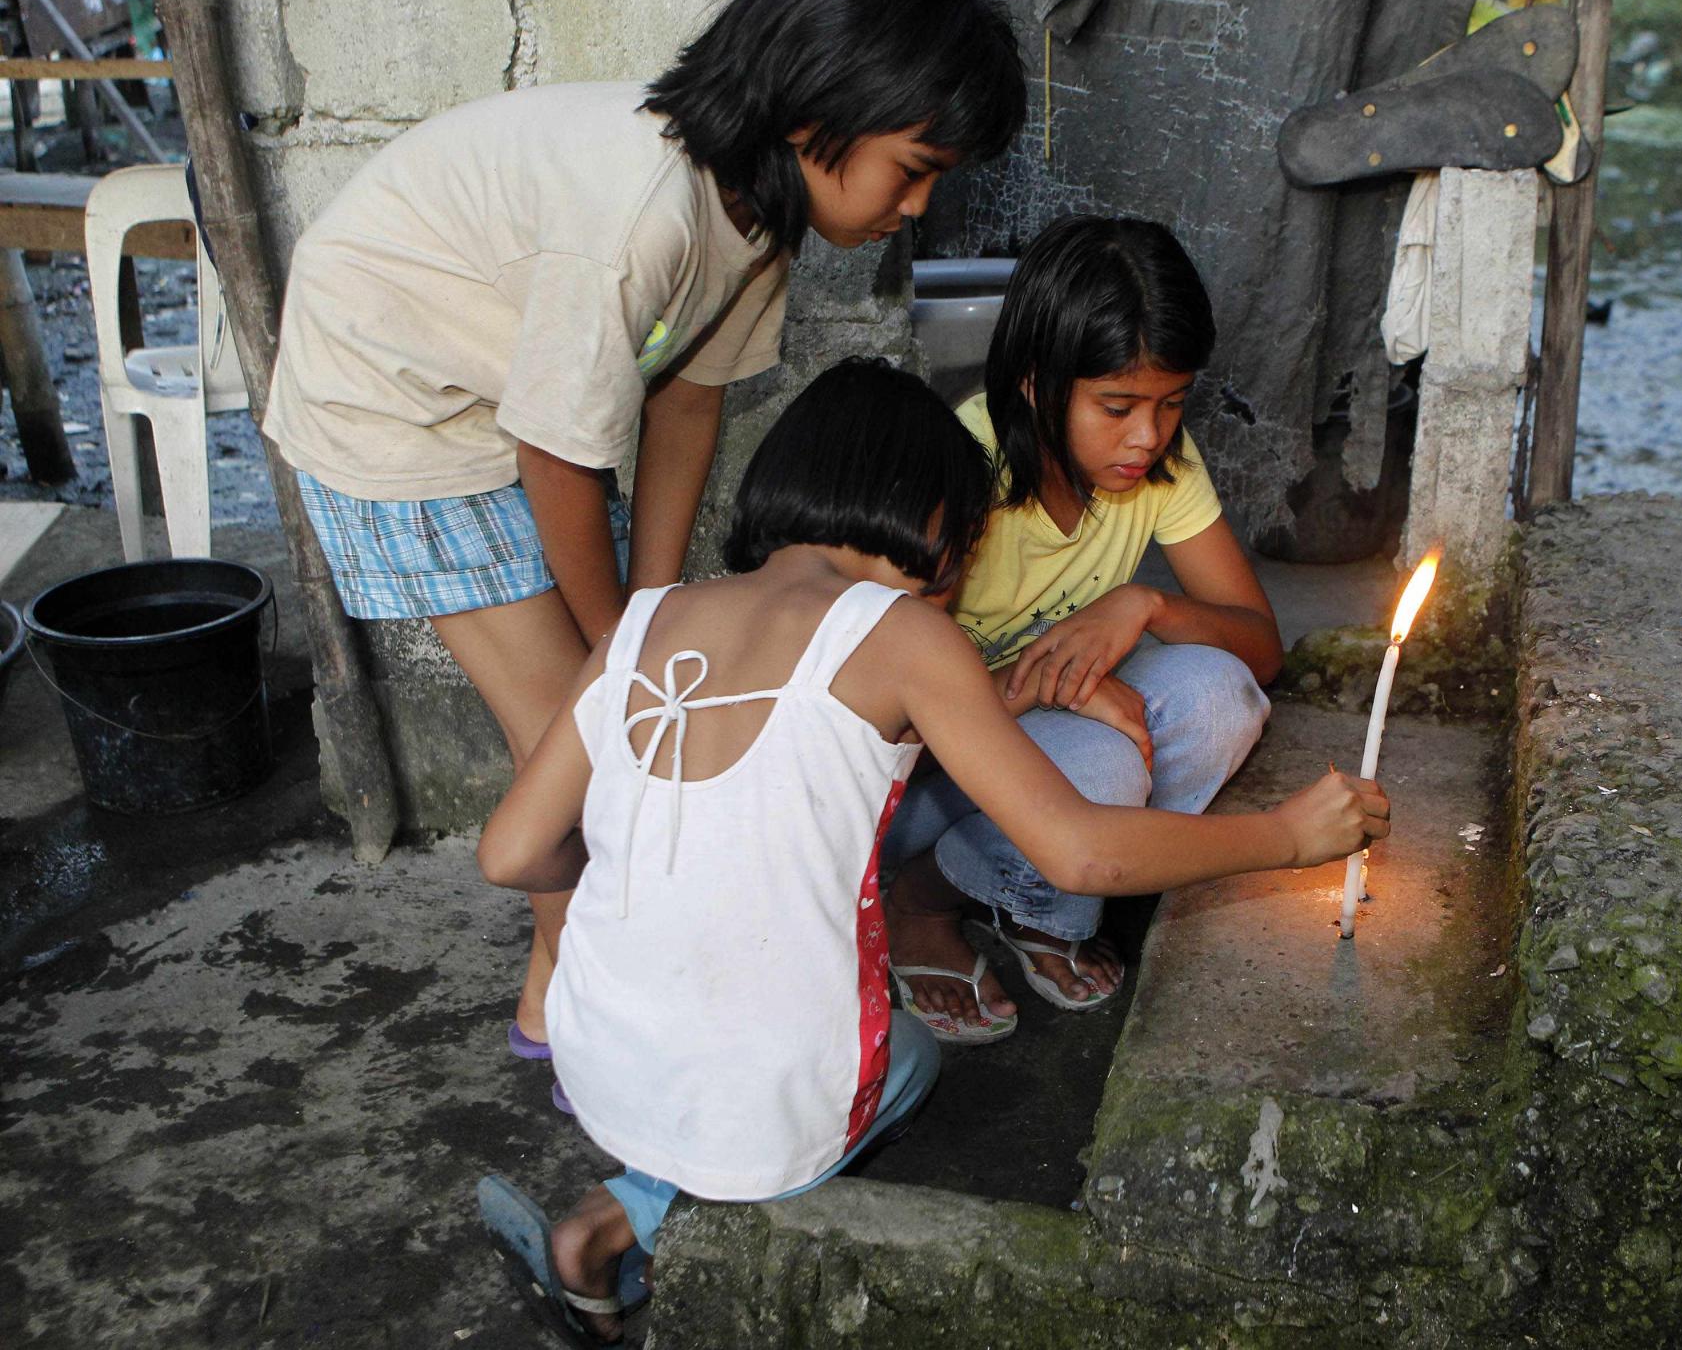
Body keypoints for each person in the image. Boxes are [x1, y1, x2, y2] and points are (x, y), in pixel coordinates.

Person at [474, 360, 1388, 1347]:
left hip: (598, 1061)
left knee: (726, 1017)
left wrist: (640, 861)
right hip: (768, 1097)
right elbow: (1077, 852)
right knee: (908, 1057)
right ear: (931, 522)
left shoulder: (639, 621)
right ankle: (657, 1215)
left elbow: (511, 850)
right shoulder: (902, 632)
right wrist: (1285, 837)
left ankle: (615, 1213)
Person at [259, 0, 1025, 1070]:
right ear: (818, 114)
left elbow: (684, 408)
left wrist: (648, 613)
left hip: (502, 405)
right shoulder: (644, 219)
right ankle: (567, 1021)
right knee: (578, 760)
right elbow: (557, 462)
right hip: (392, 406)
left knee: (612, 714)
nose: (916, 207)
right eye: (912, 169)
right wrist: (623, 650)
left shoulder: (759, 220)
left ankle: (574, 995)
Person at [884, 215, 1287, 1037]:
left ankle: (1035, 908)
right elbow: (889, 723)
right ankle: (919, 900)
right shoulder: (962, 472)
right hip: (913, 776)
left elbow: (1261, 648)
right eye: (1117, 405)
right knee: (1103, 768)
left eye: (1172, 403)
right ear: (1036, 382)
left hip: (1032, 729)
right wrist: (1054, 684)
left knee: (1223, 696)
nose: (1148, 434)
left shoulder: (1156, 464)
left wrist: (1146, 604)